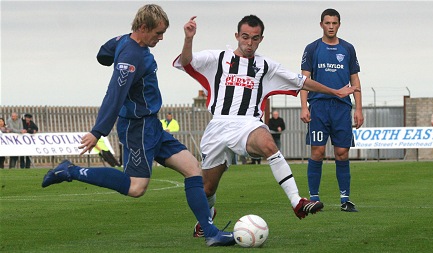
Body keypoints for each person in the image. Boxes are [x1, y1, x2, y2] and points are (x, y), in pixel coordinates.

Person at [41, 4, 235, 247]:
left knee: (192, 168)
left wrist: (110, 58)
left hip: (151, 124)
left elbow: (103, 52)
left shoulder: (126, 41)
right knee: (136, 187)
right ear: (143, 28)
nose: (161, 38)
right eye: (158, 33)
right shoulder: (131, 58)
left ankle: (210, 232)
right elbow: (115, 94)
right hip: (137, 128)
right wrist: (97, 131)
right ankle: (70, 171)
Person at [173, 15, 358, 237]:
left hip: (248, 124)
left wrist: (335, 91)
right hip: (218, 126)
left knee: (269, 144)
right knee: (207, 189)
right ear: (236, 36)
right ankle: (207, 216)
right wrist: (188, 38)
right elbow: (186, 62)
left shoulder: (265, 66)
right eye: (245, 37)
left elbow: (302, 81)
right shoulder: (217, 58)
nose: (249, 43)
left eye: (254, 38)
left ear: (261, 39)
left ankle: (297, 201)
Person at [299, 9, 364, 212]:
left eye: (334, 23)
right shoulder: (312, 48)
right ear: (321, 25)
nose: (331, 26)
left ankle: (345, 199)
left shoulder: (348, 49)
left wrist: (359, 108)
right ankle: (314, 198)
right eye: (327, 23)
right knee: (317, 152)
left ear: (339, 25)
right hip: (318, 106)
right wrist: (304, 106)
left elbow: (355, 80)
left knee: (342, 153)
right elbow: (304, 80)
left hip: (341, 108)